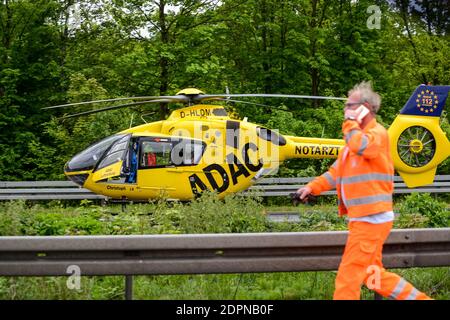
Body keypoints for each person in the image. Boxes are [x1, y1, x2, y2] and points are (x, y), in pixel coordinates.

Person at [296, 81, 432, 300]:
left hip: (371, 219)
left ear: (365, 108)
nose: (345, 110)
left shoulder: (376, 134)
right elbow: (335, 173)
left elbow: (363, 147)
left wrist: (350, 124)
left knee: (347, 277)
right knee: (372, 276)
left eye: (350, 105)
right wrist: (311, 188)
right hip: (365, 218)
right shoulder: (353, 142)